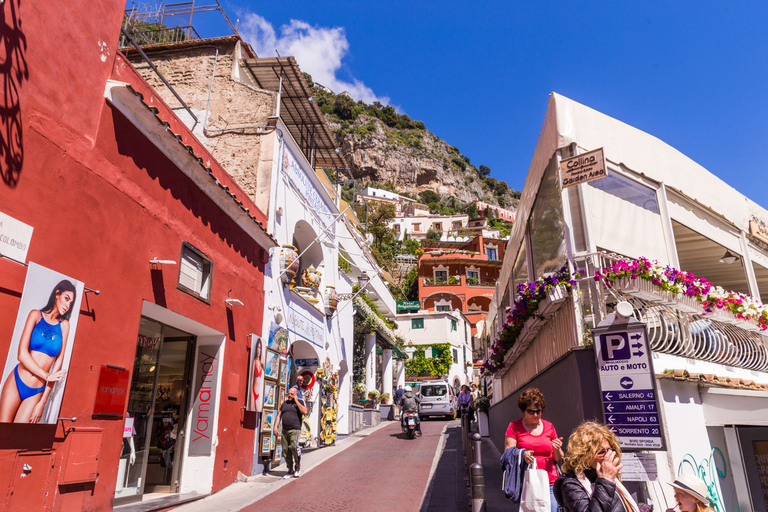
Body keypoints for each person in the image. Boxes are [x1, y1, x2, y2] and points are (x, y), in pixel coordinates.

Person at [0, 280, 75, 423]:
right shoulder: (35, 315)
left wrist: (43, 402)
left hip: (36, 391)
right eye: (66, 298)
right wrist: (46, 375)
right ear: (57, 293)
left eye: (70, 303)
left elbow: (57, 364)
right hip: (16, 381)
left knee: (17, 441)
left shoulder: (64, 326)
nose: (67, 305)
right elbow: (21, 354)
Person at [553, 421, 639, 512]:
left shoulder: (609, 479)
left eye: (610, 450)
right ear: (584, 455)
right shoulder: (570, 484)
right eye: (601, 452)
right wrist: (605, 481)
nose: (607, 455)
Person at [504, 388, 564, 512]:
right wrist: (523, 454)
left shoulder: (549, 426)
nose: (536, 415)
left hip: (550, 481)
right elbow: (508, 453)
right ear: (523, 410)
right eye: (531, 411)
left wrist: (556, 448)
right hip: (525, 482)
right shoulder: (514, 426)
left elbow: (558, 458)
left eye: (539, 411)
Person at [273, 386, 308, 478]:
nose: (289, 395)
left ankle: (297, 466)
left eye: (292, 394)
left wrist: (296, 401)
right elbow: (279, 415)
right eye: (289, 393)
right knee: (285, 450)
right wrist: (275, 427)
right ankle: (290, 469)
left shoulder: (300, 402)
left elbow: (304, 411)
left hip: (295, 429)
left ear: (296, 394)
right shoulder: (285, 403)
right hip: (284, 430)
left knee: (293, 447)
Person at [251, 338, 264, 412]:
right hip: (253, 391)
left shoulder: (261, 362)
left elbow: (266, 372)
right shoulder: (254, 362)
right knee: (250, 410)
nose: (259, 350)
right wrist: (251, 393)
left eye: (260, 348)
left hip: (258, 393)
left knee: (258, 411)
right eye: (258, 347)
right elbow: (252, 379)